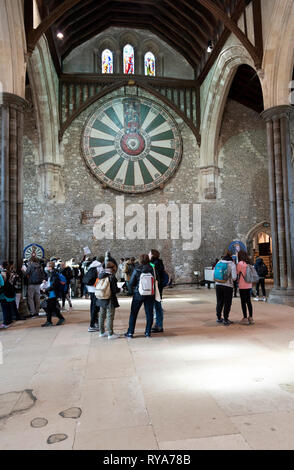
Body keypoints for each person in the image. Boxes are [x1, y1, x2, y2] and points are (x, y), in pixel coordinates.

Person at [125, 254, 155, 338]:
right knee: (149, 313)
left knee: (134, 313)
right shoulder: (152, 269)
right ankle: (148, 332)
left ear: (140, 260)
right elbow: (157, 280)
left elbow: (131, 283)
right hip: (150, 294)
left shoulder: (137, 269)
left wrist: (135, 288)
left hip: (138, 294)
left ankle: (130, 332)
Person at [96, 260, 120, 339]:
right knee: (110, 316)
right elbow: (114, 290)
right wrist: (120, 289)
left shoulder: (100, 275)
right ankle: (110, 333)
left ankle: (101, 332)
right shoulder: (111, 277)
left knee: (102, 315)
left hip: (101, 297)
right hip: (109, 298)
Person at [214, 251, 237, 325]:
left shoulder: (219, 262)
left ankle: (219, 318)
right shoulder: (232, 264)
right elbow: (234, 277)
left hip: (218, 284)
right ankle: (226, 319)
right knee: (227, 303)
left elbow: (214, 273)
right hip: (227, 286)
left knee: (219, 301)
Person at [41, 261, 66, 327]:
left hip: (53, 293)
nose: (46, 267)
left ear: (50, 267)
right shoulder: (51, 273)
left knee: (51, 307)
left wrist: (45, 289)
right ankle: (50, 321)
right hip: (51, 293)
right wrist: (45, 280)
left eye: (47, 266)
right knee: (51, 307)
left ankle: (56, 320)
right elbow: (50, 282)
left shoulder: (54, 274)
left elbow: (54, 285)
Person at [85, 256, 104, 332]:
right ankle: (92, 325)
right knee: (95, 308)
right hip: (96, 289)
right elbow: (102, 278)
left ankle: (95, 322)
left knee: (93, 306)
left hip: (90, 288)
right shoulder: (99, 267)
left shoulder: (91, 265)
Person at [149, 249, 165, 333]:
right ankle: (158, 324)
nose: (148, 254)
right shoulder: (158, 262)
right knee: (157, 306)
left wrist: (147, 262)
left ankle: (159, 325)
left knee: (158, 307)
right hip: (158, 287)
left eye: (149, 253)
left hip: (157, 288)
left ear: (152, 255)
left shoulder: (156, 263)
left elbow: (153, 268)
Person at [237, 251, 254, 325]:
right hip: (249, 284)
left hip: (242, 285)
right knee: (249, 301)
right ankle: (251, 318)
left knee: (243, 302)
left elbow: (237, 273)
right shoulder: (249, 263)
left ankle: (245, 318)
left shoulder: (240, 263)